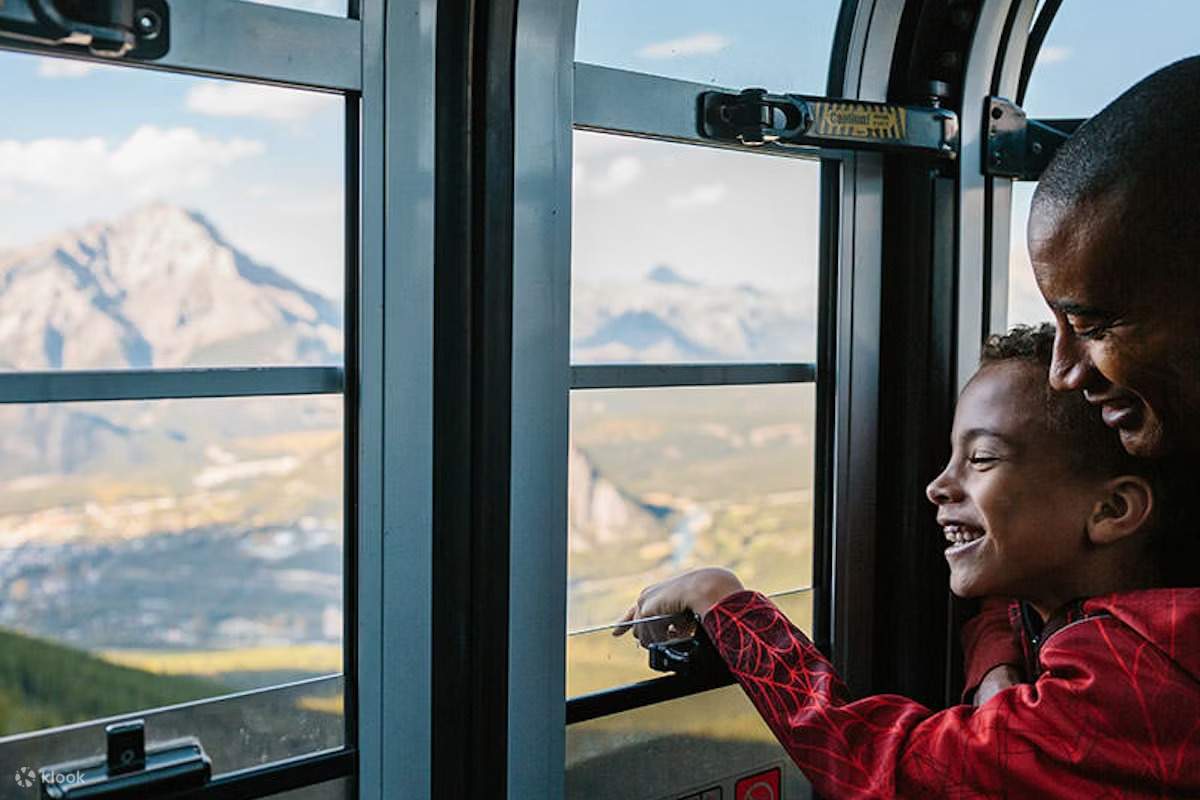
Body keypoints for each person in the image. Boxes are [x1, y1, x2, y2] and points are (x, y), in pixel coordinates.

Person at [617, 325, 1200, 798]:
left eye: (983, 459)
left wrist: (725, 604)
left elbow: (883, 767)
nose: (938, 485)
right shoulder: (1123, 616)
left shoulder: (1120, 683)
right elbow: (1004, 603)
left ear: (1113, 509)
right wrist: (996, 667)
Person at [965, 54, 1200, 706]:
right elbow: (1031, 566)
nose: (1064, 374)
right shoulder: (1165, 446)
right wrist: (996, 663)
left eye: (1095, 326)